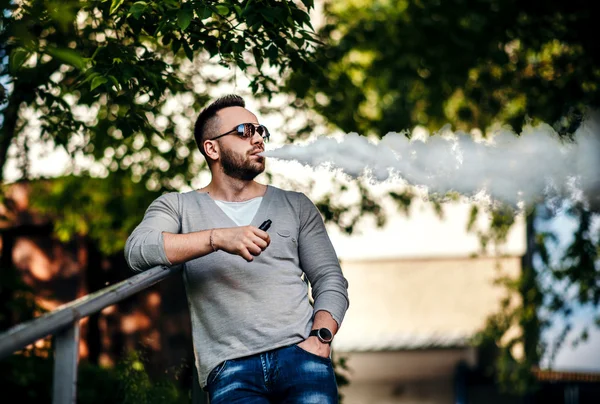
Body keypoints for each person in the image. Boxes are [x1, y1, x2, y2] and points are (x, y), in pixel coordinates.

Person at [124, 94, 350, 403]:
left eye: (260, 131)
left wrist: (320, 339)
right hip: (231, 370)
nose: (257, 139)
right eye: (244, 131)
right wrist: (217, 238)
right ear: (212, 148)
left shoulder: (295, 205)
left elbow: (330, 280)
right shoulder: (177, 206)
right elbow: (138, 250)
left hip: (302, 358)